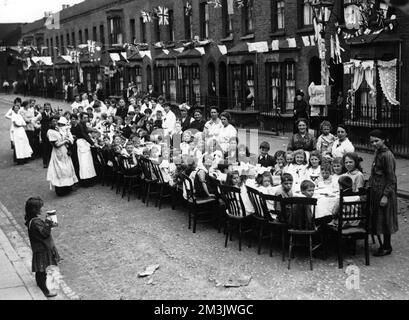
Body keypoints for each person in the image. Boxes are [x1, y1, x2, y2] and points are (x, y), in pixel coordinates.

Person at [369, 130, 398, 257]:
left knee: (386, 219)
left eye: (376, 141)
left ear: (383, 140)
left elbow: (392, 179)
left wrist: (385, 195)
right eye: (372, 142)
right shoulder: (378, 152)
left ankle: (387, 246)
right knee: (379, 217)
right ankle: (384, 244)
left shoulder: (387, 155)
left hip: (385, 192)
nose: (374, 143)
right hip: (377, 190)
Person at [25, 197, 60, 297]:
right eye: (39, 208)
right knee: (43, 270)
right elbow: (45, 233)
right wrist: (49, 223)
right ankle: (45, 289)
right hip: (43, 248)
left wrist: (45, 223)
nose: (41, 210)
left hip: (38, 248)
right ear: (34, 209)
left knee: (40, 269)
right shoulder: (36, 222)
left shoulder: (31, 220)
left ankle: (40, 283)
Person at [47, 117, 78, 196]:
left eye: (56, 121)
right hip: (58, 153)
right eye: (53, 121)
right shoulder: (50, 132)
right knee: (60, 170)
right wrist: (66, 141)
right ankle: (61, 190)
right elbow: (56, 145)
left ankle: (68, 187)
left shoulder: (58, 129)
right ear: (50, 123)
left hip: (64, 151)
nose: (55, 122)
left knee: (67, 169)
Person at [75, 113, 97, 186]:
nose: (86, 119)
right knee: (84, 163)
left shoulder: (83, 124)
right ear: (81, 118)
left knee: (88, 162)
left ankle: (89, 179)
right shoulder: (79, 125)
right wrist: (92, 143)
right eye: (84, 118)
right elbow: (84, 134)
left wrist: (91, 130)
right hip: (81, 143)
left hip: (84, 143)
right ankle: (85, 181)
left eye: (87, 117)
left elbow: (86, 131)